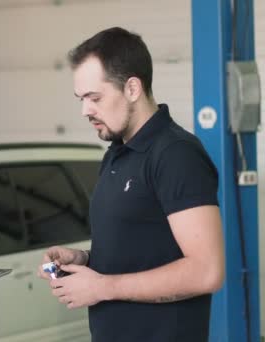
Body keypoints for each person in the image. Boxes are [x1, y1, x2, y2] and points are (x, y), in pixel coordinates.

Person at [38, 27, 224, 342]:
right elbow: (142, 249)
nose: (85, 110)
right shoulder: (117, 154)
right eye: (81, 99)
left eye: (94, 97)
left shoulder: (176, 154)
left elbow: (207, 271)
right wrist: (83, 259)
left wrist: (102, 287)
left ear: (132, 88)